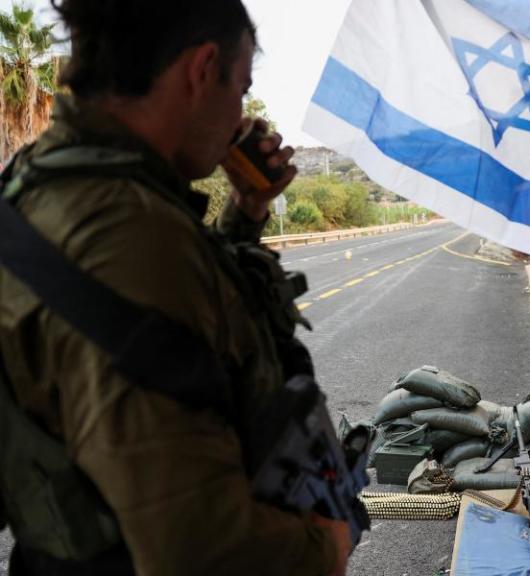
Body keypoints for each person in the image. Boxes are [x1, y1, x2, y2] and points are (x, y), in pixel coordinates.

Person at [0, 0, 352, 574]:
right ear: (200, 69)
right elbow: (195, 547)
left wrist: (247, 208)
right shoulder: (130, 235)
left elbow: (181, 336)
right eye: (239, 89)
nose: (240, 113)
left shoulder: (49, 182)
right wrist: (324, 548)